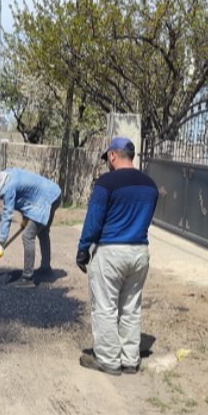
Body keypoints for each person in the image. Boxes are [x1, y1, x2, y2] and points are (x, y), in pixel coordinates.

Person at [76, 137, 158, 376]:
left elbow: (94, 219)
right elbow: (147, 218)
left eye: (108, 158)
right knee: (131, 307)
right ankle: (130, 360)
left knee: (105, 306)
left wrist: (83, 249)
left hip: (112, 251)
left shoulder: (106, 183)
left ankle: (109, 360)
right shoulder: (150, 185)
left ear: (113, 155)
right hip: (139, 252)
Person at [0, 166, 61, 287]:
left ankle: (27, 278)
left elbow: (7, 216)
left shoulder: (7, 187)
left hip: (47, 199)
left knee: (28, 236)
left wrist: (1, 243)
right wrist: (25, 219)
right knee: (42, 232)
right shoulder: (7, 176)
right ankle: (46, 269)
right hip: (52, 194)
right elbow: (25, 196)